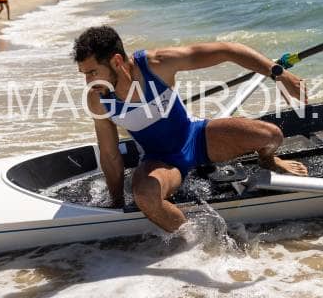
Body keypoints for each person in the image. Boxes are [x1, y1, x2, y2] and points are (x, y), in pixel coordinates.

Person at [73, 25, 308, 232]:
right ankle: (196, 241)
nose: (89, 82)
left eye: (92, 73)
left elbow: (228, 50)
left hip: (196, 137)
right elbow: (110, 155)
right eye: (85, 74)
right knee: (145, 196)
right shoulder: (98, 100)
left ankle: (268, 160)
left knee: (272, 136)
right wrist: (116, 206)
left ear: (116, 61)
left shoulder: (157, 64)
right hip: (160, 161)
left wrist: (280, 74)